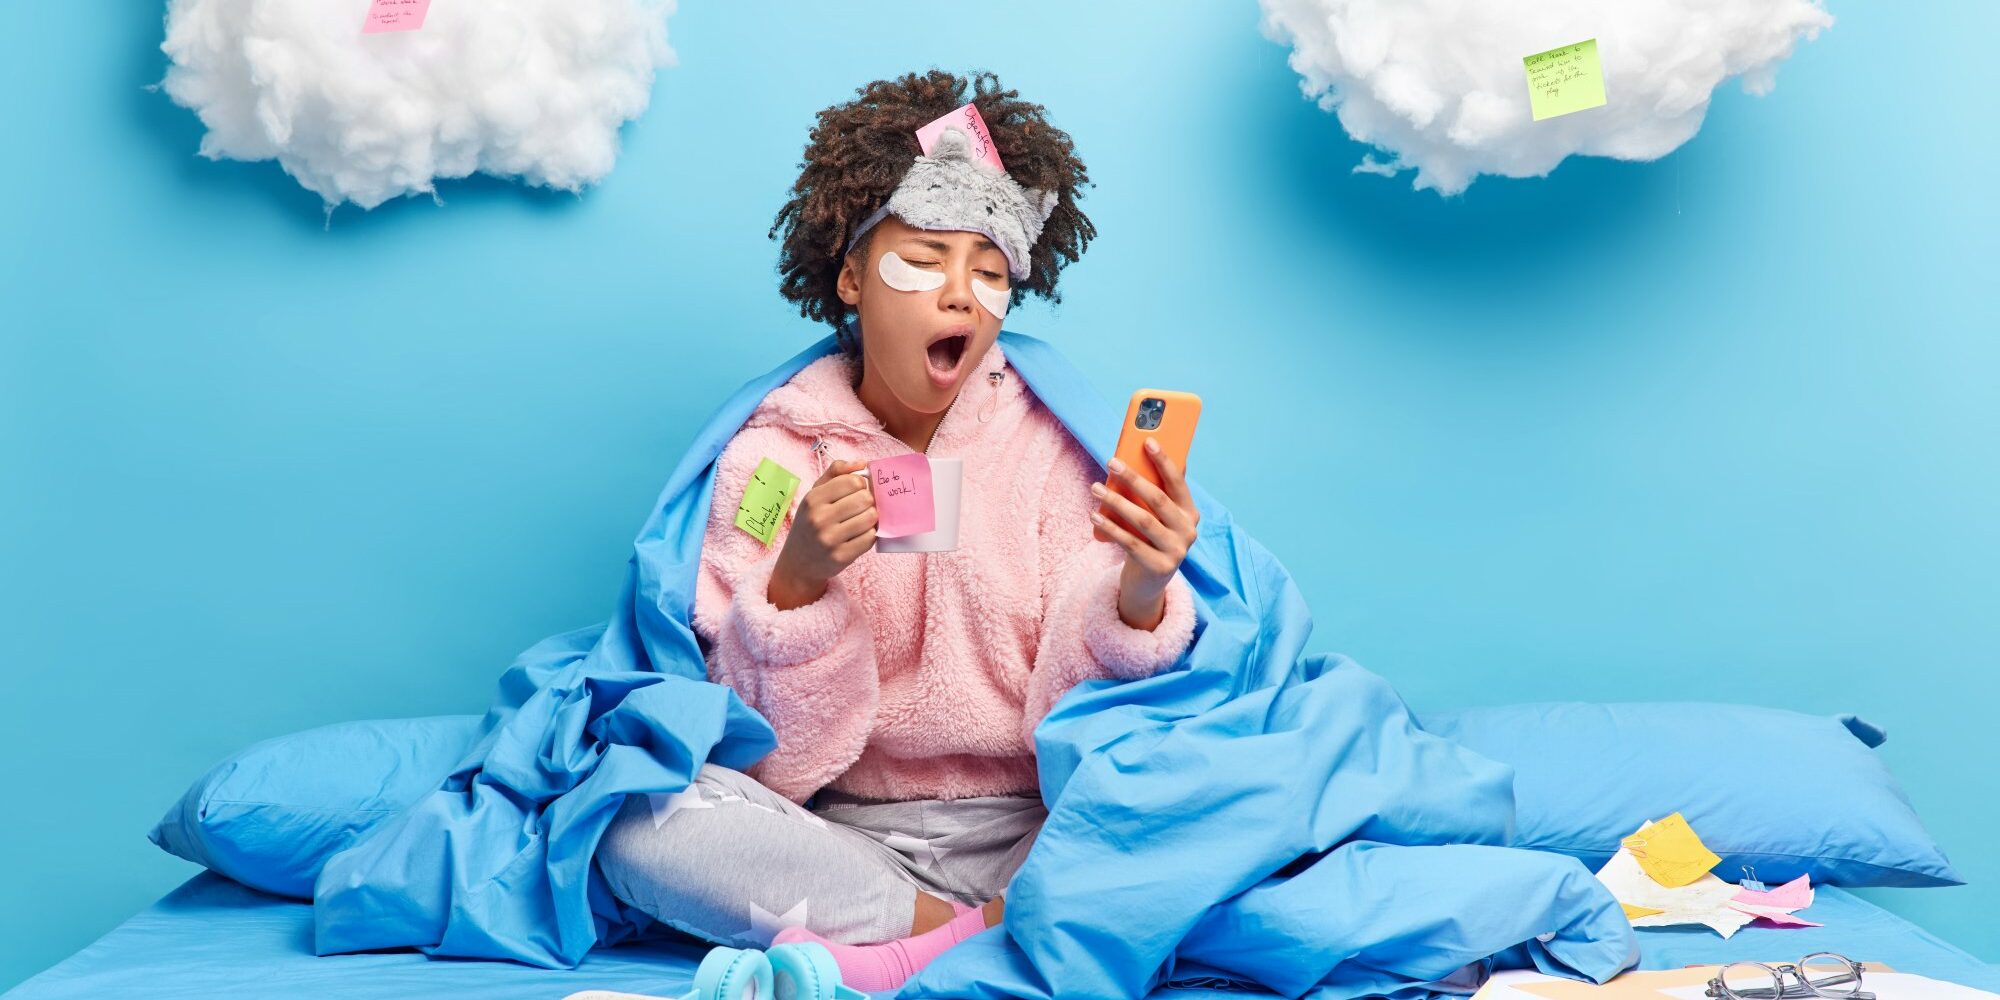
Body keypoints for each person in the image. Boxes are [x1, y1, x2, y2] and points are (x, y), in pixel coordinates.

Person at [596, 69, 1201, 993]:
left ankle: (899, 960)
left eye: (992, 274)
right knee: (634, 821)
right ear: (849, 277)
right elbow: (763, 758)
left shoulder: (1043, 441)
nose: (962, 295)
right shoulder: (771, 460)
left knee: (1214, 810)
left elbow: (1094, 718)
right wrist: (795, 583)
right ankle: (966, 941)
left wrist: (1142, 591)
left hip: (1036, 834)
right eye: (924, 260)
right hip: (846, 842)